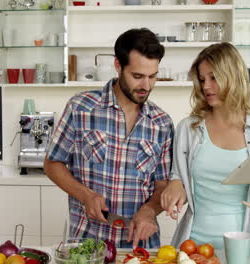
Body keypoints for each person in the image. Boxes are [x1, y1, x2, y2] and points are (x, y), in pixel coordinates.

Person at [44, 28, 174, 248]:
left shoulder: (162, 123)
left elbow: (162, 185)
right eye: (137, 76)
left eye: (153, 76)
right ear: (118, 66)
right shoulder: (81, 107)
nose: (146, 86)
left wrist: (150, 210)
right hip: (87, 245)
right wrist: (85, 196)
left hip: (140, 248)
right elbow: (52, 163)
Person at [160, 42, 250, 249]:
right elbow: (177, 178)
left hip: (244, 247)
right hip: (193, 245)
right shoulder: (188, 128)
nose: (206, 86)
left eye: (214, 77)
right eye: (202, 79)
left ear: (233, 76)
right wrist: (174, 185)